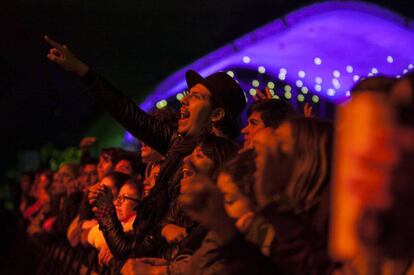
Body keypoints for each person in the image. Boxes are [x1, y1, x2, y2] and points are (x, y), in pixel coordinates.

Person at [44, 35, 247, 260]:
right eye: (187, 95)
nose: (184, 101)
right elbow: (128, 113)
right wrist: (82, 71)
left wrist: (105, 209)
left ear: (217, 114)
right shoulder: (177, 145)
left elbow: (131, 249)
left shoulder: (211, 165)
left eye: (196, 97)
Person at [179, 117, 336, 274]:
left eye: (279, 145)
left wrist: (267, 199)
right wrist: (222, 225)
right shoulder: (289, 212)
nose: (262, 157)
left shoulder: (329, 218)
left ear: (306, 158)